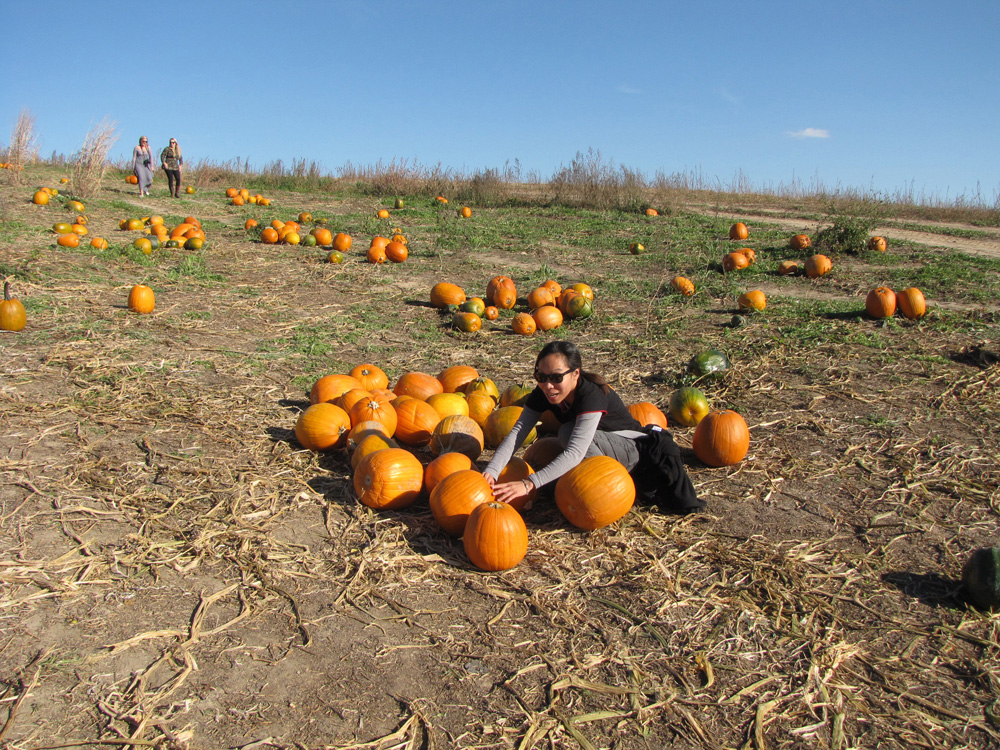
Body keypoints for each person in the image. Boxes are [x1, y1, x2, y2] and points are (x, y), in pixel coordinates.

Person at [483, 340, 703, 514]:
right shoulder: (543, 392)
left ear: (575, 373)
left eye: (556, 377)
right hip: (602, 447)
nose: (547, 385)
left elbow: (576, 451)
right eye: (540, 376)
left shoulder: (591, 394)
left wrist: (530, 483)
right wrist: (491, 472)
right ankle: (574, 485)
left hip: (635, 450)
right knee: (552, 445)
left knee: (567, 432)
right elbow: (517, 434)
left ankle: (607, 490)